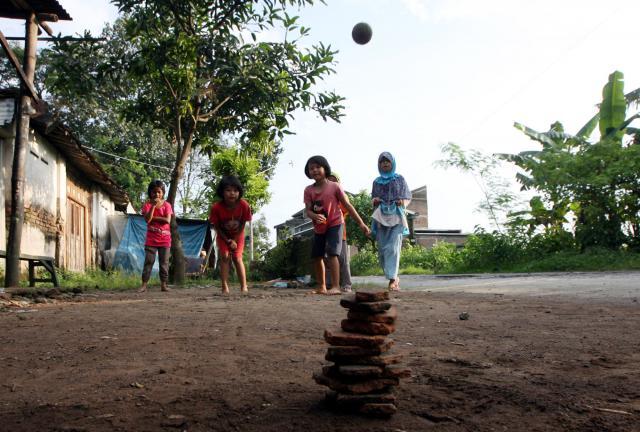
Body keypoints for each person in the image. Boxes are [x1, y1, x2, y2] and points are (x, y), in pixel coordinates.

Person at [304, 156, 370, 295]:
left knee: (333, 253)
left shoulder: (335, 186)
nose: (314, 170)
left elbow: (348, 206)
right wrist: (314, 216)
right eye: (311, 168)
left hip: (335, 223)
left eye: (317, 167)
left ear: (325, 168)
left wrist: (361, 224)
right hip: (319, 227)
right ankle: (322, 286)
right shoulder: (308, 190)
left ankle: (335, 286)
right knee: (317, 256)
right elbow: (308, 210)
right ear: (308, 172)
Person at [371, 152, 411, 291]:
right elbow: (373, 198)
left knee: (392, 248)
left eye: (387, 161)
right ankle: (392, 276)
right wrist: (374, 201)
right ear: (379, 165)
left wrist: (402, 202)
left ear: (393, 163)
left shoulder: (399, 179)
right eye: (382, 161)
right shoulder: (376, 181)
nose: (385, 163)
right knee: (382, 250)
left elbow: (407, 196)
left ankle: (393, 280)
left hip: (396, 216)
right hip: (381, 217)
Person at [209, 175, 252, 294]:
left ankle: (244, 286)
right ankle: (224, 287)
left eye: (235, 190)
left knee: (237, 258)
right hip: (223, 236)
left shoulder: (244, 205)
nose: (232, 193)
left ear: (239, 192)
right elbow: (217, 226)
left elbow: (243, 223)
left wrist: (235, 239)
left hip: (238, 235)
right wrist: (227, 240)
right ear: (222, 192)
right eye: (228, 190)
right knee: (225, 256)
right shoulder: (216, 208)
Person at [139, 180, 173, 293]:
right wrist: (153, 207)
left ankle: (163, 285)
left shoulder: (167, 205)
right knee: (149, 261)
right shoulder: (147, 205)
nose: (156, 194)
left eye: (159, 192)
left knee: (164, 263)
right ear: (150, 193)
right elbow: (148, 220)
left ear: (162, 192)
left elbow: (167, 220)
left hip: (165, 239)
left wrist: (153, 218)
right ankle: (144, 285)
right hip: (151, 240)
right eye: (154, 192)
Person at [324, 172, 353, 293]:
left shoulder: (342, 196)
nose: (332, 184)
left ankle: (346, 284)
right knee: (328, 258)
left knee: (343, 260)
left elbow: (346, 209)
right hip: (325, 233)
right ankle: (330, 283)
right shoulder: (323, 197)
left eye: (334, 181)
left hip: (340, 234)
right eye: (329, 181)